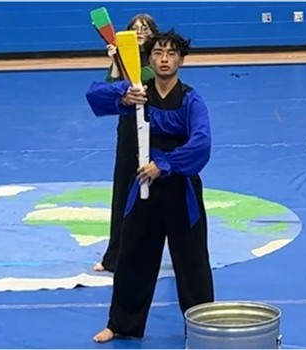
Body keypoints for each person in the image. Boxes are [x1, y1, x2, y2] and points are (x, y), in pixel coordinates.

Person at [85, 29, 214, 342]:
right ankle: (121, 324)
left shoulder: (190, 99)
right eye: (158, 53)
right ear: (150, 59)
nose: (165, 59)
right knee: (133, 258)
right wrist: (122, 96)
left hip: (180, 190)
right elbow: (94, 96)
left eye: (171, 54)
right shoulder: (137, 95)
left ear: (181, 59)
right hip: (142, 187)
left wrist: (165, 165)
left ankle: (202, 326)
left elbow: (202, 143)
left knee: (192, 262)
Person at [94, 13, 159, 273]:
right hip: (130, 130)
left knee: (159, 194)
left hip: (157, 127)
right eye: (135, 28)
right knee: (123, 190)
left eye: (145, 28)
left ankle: (169, 253)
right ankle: (114, 257)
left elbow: (143, 79)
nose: (141, 31)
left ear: (153, 33)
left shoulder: (157, 56)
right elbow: (111, 88)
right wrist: (114, 60)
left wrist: (124, 59)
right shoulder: (122, 56)